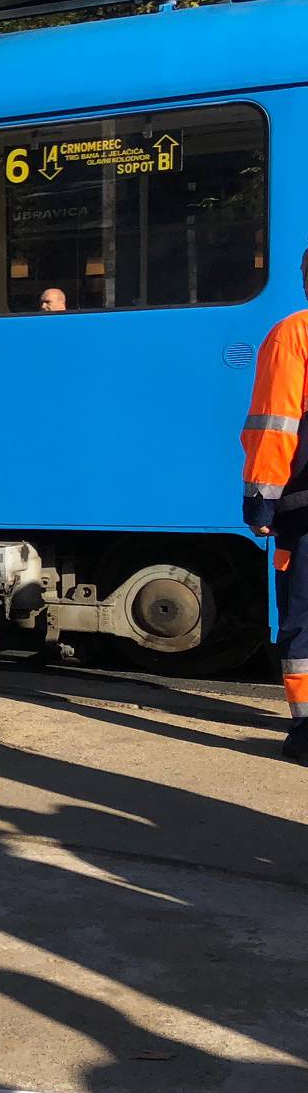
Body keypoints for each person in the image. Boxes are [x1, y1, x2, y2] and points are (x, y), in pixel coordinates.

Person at [242, 247, 308, 764]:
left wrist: (261, 504)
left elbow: (275, 426)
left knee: (304, 621)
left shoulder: (295, 334)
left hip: (306, 508)